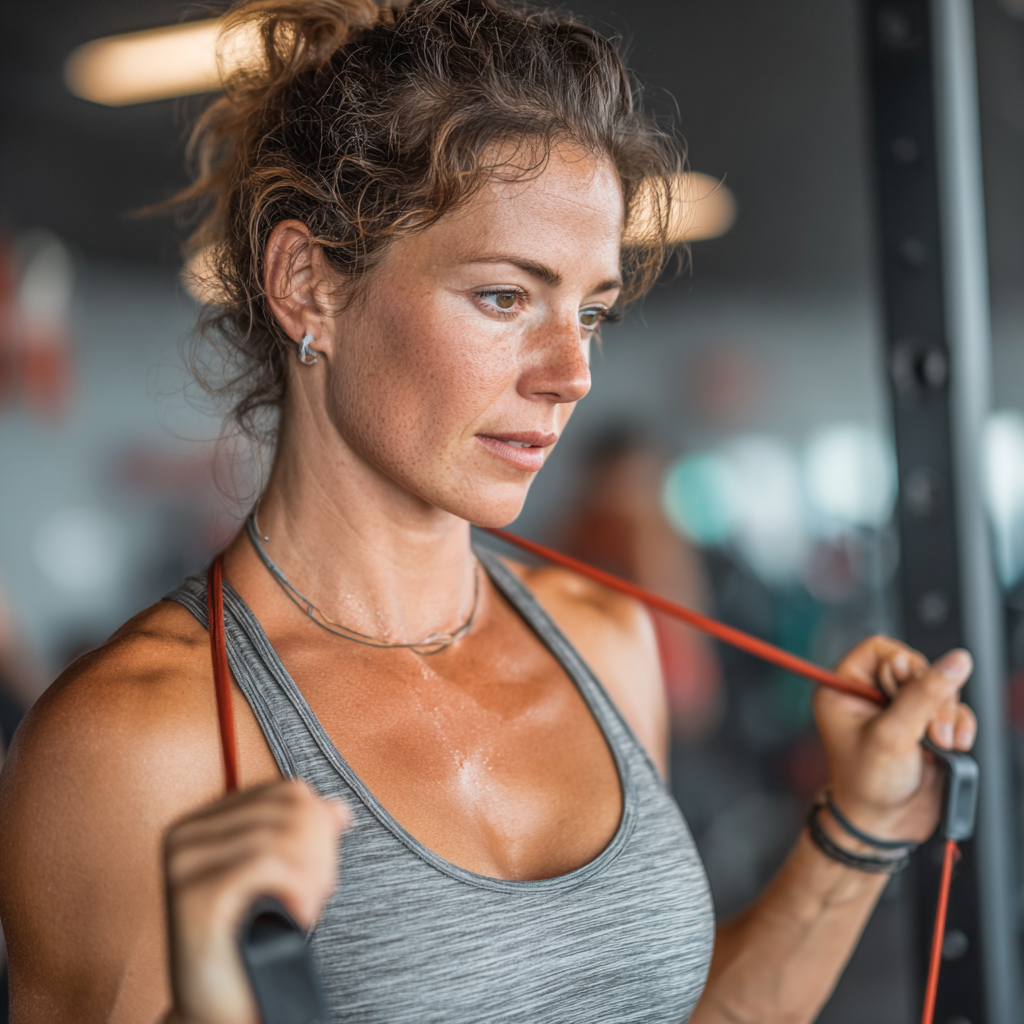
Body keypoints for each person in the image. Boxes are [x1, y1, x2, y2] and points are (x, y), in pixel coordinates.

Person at [0, 1, 977, 1022]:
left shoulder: (604, 644)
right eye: (506, 297)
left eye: (590, 311)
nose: (572, 374)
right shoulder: (136, 742)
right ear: (308, 284)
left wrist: (856, 835)